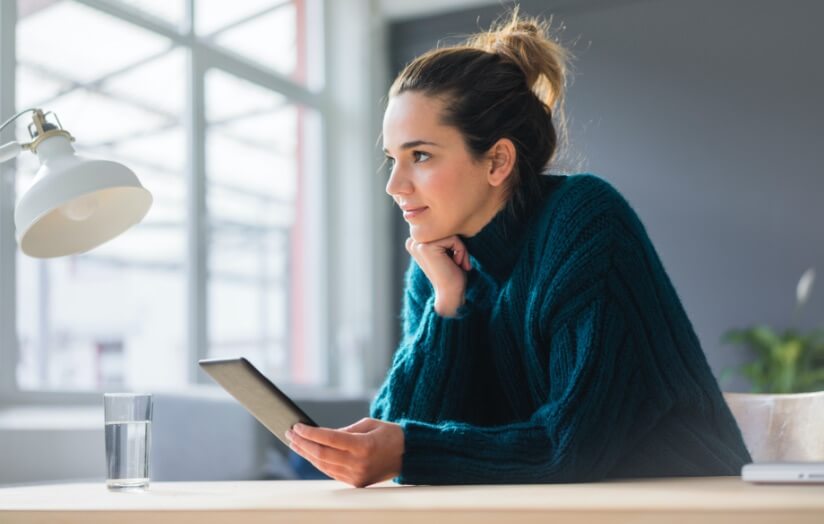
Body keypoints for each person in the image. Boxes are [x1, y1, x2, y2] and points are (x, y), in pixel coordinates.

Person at [284, 9, 752, 488]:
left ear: (497, 161)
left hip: (688, 501)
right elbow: (396, 439)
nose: (395, 185)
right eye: (392, 159)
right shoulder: (437, 262)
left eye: (420, 156)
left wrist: (408, 451)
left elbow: (572, 447)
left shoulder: (585, 221)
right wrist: (447, 308)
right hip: (555, 507)